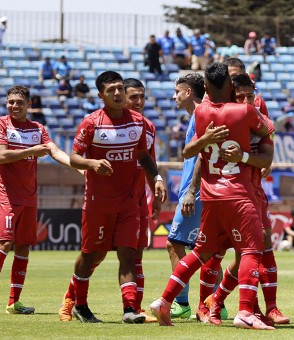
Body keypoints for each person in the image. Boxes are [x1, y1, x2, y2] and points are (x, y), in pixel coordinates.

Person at [150, 62, 272, 330]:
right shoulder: (245, 110)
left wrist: (207, 141)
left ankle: (165, 300)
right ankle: (244, 311)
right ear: (230, 87)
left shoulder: (202, 112)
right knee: (251, 250)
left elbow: (188, 152)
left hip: (211, 195)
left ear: (205, 88)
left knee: (200, 253)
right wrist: (245, 151)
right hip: (239, 193)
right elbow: (266, 134)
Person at [57, 71, 166, 324]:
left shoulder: (139, 123)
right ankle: (78, 304)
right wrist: (92, 163)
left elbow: (144, 156)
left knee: (129, 255)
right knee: (91, 254)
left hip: (129, 202)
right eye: (112, 90)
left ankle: (129, 309)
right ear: (101, 95)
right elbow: (74, 158)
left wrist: (157, 179)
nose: (118, 93)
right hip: (98, 203)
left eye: (119, 88)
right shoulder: (91, 123)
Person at [0, 85, 77, 315]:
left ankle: (14, 302)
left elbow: (54, 151)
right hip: (6, 197)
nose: (14, 106)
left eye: (19, 102)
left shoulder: (38, 129)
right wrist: (32, 149)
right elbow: (2, 156)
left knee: (23, 249)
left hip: (29, 199)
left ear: (29, 104)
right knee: (4, 244)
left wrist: (80, 167)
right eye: (11, 102)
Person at [203, 73, 290, 326]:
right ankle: (214, 302)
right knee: (215, 252)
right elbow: (199, 151)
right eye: (239, 95)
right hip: (223, 190)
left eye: (249, 95)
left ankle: (266, 307)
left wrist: (254, 159)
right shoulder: (218, 110)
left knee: (260, 246)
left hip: (253, 188)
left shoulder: (258, 108)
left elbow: (267, 148)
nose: (245, 100)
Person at [166, 73, 207, 319]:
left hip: (197, 192)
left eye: (177, 91)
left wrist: (191, 191)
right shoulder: (195, 116)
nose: (174, 96)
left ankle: (181, 303)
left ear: (189, 92)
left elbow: (202, 154)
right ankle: (216, 303)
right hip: (195, 191)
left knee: (174, 244)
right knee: (205, 250)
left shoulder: (201, 114)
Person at [122, 78, 158, 323]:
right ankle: (73, 299)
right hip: (111, 199)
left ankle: (135, 308)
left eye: (141, 97)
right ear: (121, 97)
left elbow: (149, 163)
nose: (139, 102)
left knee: (138, 253)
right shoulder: (112, 126)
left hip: (137, 199)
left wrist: (155, 191)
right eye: (133, 97)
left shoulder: (148, 127)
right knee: (95, 254)